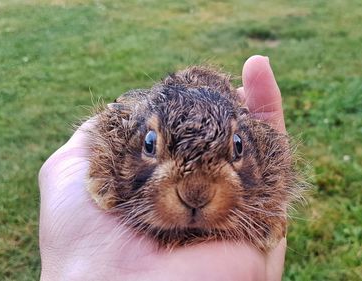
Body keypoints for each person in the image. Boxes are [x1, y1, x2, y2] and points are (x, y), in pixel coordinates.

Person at [39, 55, 287, 281]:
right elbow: (110, 124)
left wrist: (266, 208)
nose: (195, 193)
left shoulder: (257, 142)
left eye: (235, 148)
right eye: (150, 145)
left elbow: (273, 152)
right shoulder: (128, 129)